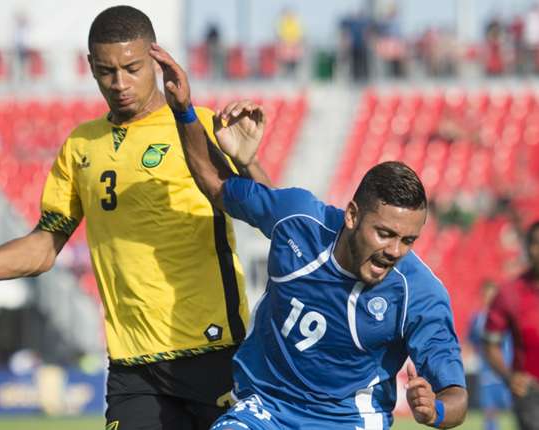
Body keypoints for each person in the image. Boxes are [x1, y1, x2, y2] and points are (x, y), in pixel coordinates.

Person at [0, 6, 271, 430]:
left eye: (132, 68)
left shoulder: (199, 126)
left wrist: (248, 164)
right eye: (107, 71)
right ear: (90, 67)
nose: (120, 83)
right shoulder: (82, 145)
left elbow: (273, 216)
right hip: (132, 367)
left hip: (213, 352)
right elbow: (42, 247)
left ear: (157, 61)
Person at [150, 43, 468, 429]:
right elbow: (216, 186)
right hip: (267, 407)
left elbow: (456, 396)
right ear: (352, 215)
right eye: (384, 233)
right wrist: (184, 109)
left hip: (348, 420)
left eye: (408, 240)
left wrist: (434, 410)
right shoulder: (300, 221)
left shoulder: (419, 293)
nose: (394, 251)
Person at [484, 221, 539, 430]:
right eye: (535, 243)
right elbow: (490, 344)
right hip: (531, 394)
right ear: (527, 248)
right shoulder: (509, 293)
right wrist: (509, 376)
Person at [468, 281, 512, 430]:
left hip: (507, 370)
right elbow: (471, 340)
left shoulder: (507, 317)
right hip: (486, 371)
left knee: (516, 409)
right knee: (490, 411)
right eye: (487, 295)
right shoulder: (477, 319)